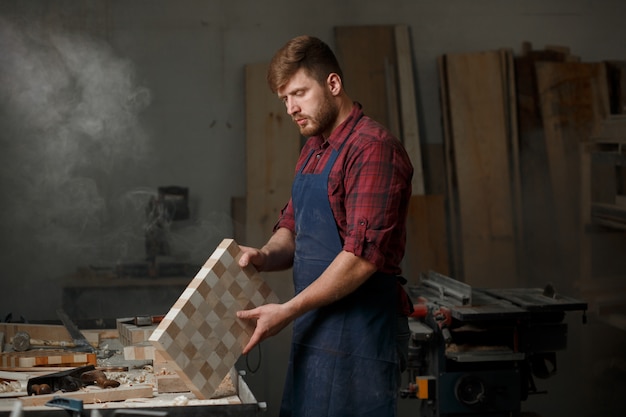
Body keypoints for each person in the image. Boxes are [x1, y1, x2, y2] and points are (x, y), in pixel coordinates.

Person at [236, 35, 414, 417]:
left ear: (333, 84)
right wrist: (264, 256)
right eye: (284, 99)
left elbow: (361, 259)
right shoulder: (314, 147)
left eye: (299, 93)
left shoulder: (374, 149)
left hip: (361, 336)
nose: (291, 108)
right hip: (315, 328)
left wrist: (286, 311)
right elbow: (292, 226)